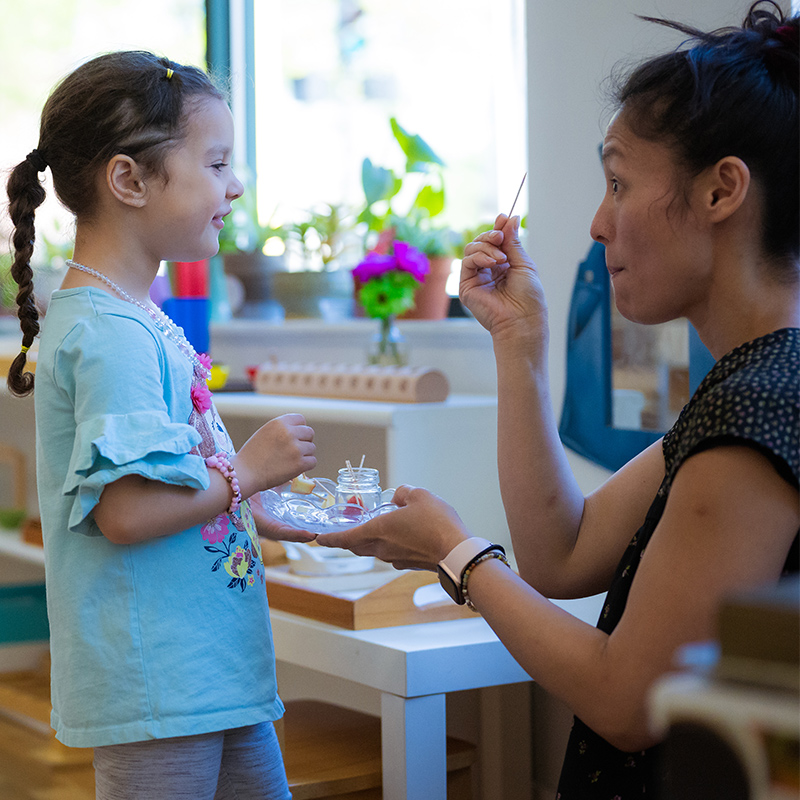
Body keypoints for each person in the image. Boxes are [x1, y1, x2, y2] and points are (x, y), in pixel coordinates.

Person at [316, 3, 800, 797]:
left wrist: (456, 554)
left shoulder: (757, 414)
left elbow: (625, 698)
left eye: (618, 183)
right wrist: (520, 345)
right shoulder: (745, 389)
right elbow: (559, 552)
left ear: (722, 191)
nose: (598, 222)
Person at [6, 51, 318, 799]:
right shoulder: (111, 334)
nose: (234, 186)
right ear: (129, 180)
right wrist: (249, 471)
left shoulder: (135, 318)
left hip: (204, 672)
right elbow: (127, 510)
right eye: (215, 163)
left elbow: (167, 475)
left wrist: (257, 507)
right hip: (159, 687)